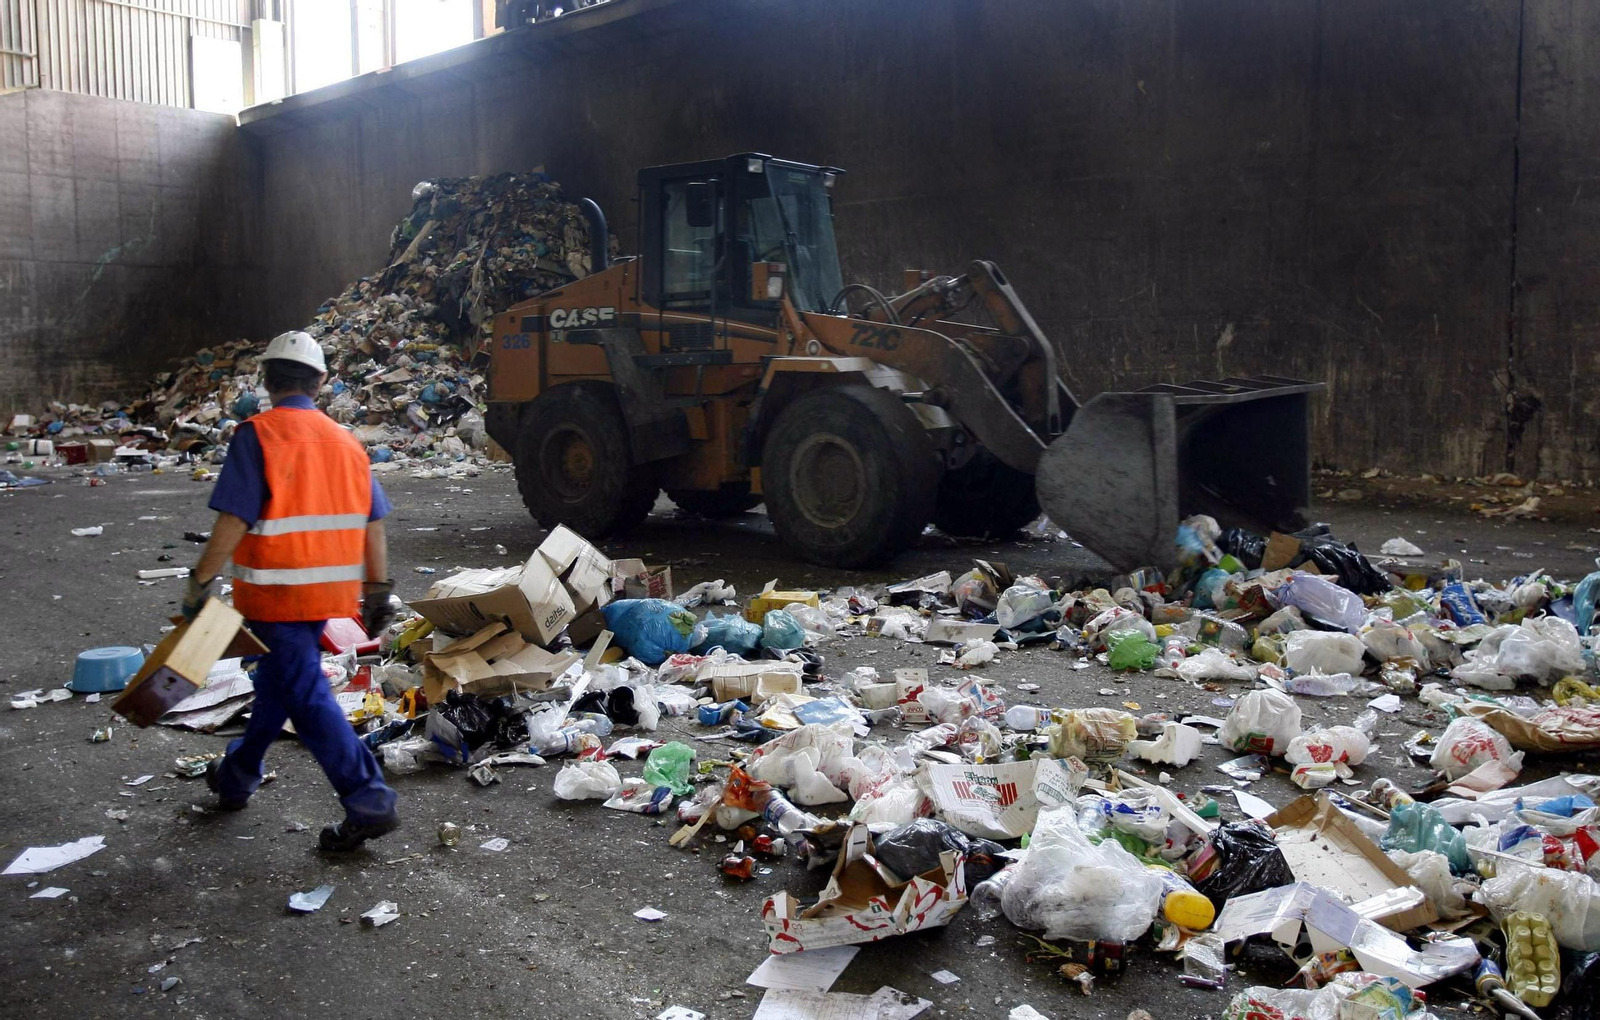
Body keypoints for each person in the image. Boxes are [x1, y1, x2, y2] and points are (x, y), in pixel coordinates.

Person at [183, 330, 400, 851]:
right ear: (321, 381)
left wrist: (199, 582)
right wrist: (376, 590)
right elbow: (374, 525)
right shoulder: (348, 443)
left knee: (303, 693)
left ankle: (369, 800)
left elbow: (235, 518)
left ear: (266, 380)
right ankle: (237, 776)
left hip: (274, 598)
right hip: (326, 597)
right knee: (280, 686)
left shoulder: (257, 436)